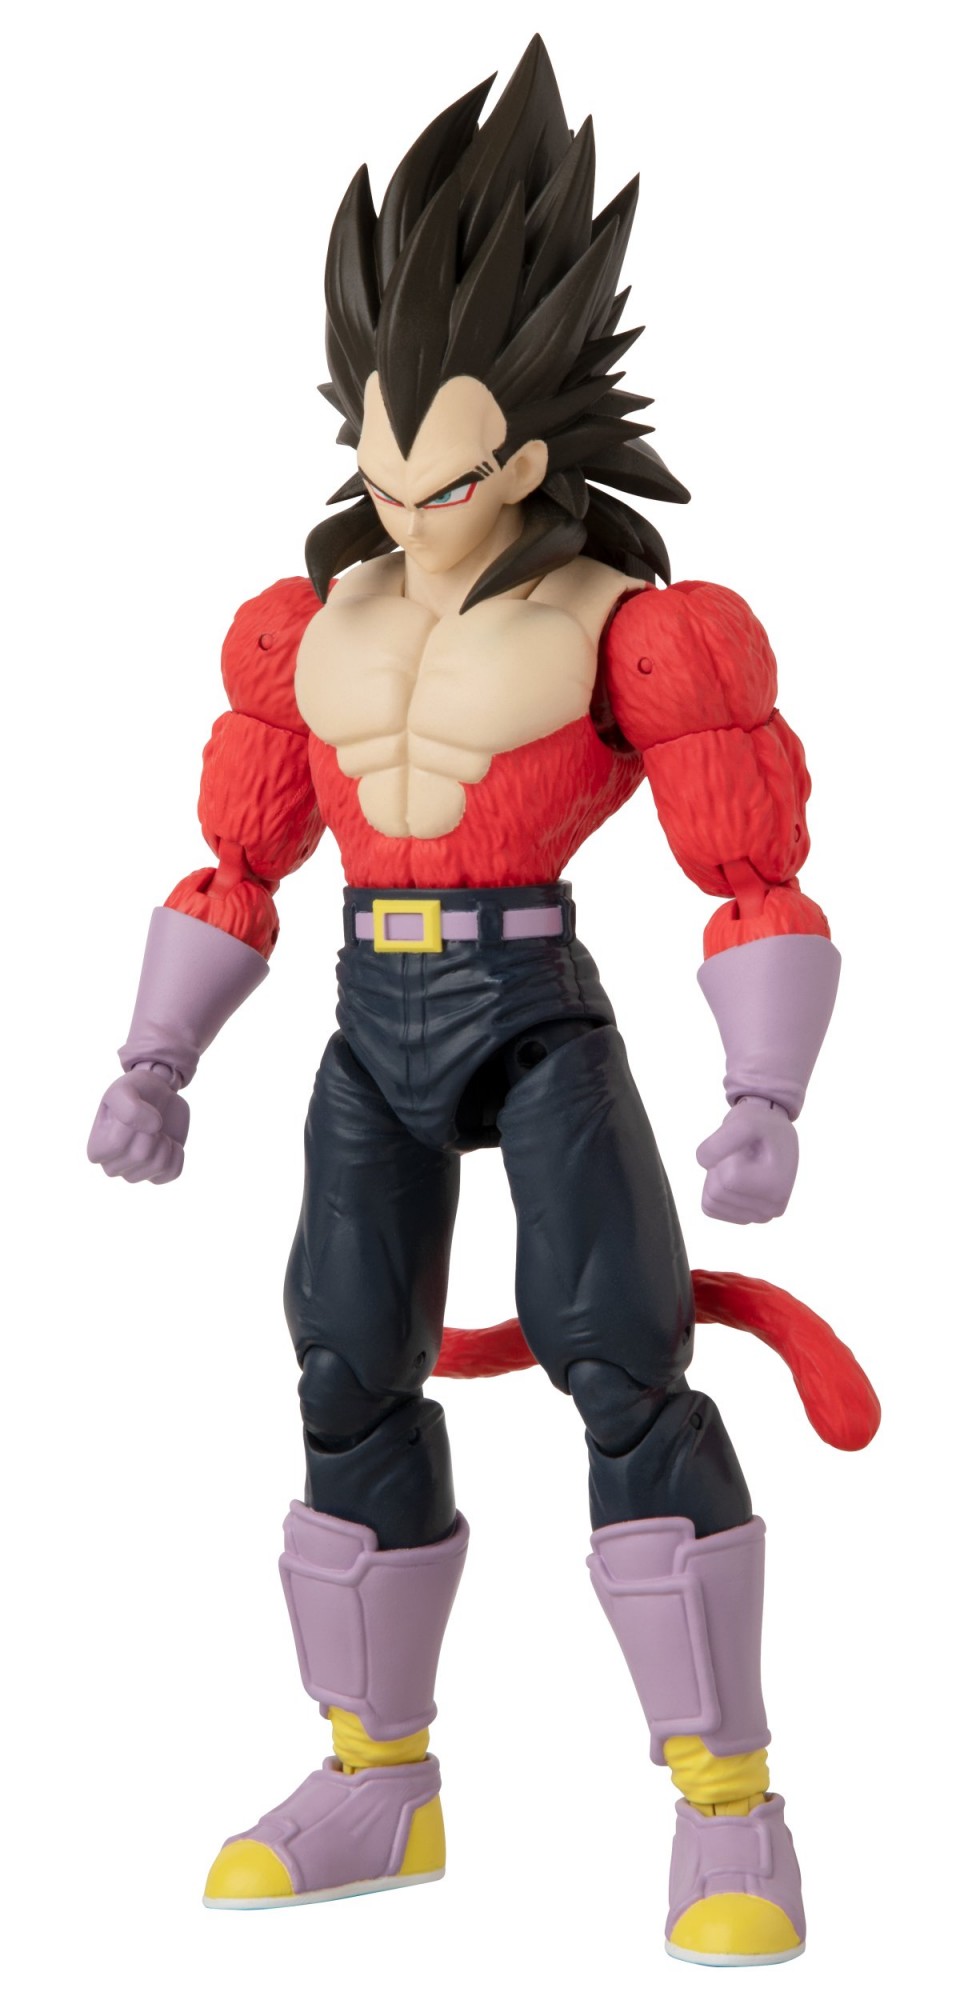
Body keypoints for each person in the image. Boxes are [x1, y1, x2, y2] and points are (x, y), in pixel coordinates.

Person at [88, 37, 862, 1965]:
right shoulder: (314, 623)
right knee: (344, 1366)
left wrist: (764, 1093)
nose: (399, 501)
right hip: (370, 1015)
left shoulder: (634, 625)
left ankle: (728, 1805)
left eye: (435, 473)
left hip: (533, 1006)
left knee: (625, 1364)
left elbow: (751, 873)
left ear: (528, 448)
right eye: (372, 458)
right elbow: (238, 858)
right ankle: (378, 1776)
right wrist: (158, 1056)